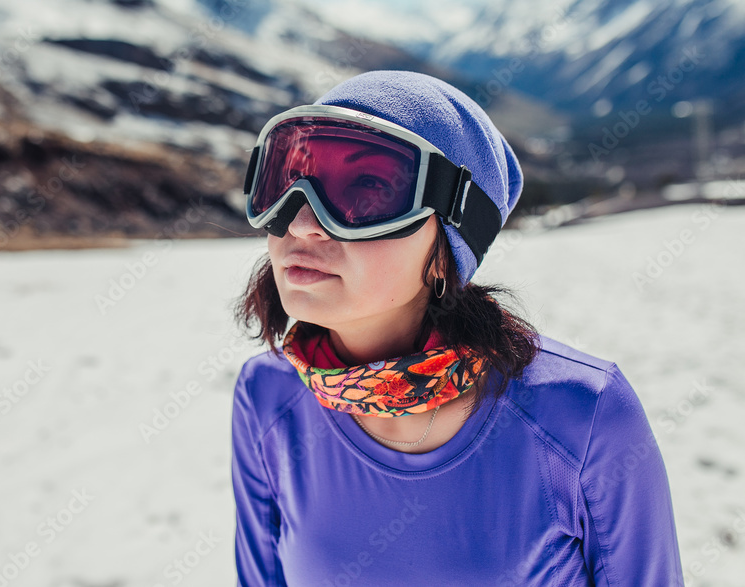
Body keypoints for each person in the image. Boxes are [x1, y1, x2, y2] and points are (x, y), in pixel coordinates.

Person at [230, 71, 683, 586]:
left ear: (448, 248)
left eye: (369, 188)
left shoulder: (584, 415)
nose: (301, 222)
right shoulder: (266, 398)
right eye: (287, 182)